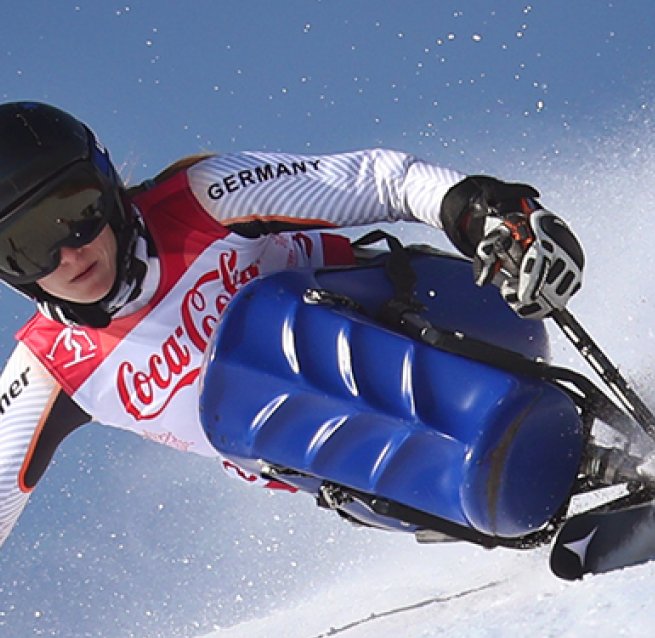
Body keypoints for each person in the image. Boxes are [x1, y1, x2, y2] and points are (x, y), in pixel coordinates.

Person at [0, 101, 584, 549]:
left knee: (254, 335)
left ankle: (529, 438)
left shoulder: (200, 200)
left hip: (458, 325)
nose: (68, 256)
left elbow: (375, 180)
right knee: (237, 388)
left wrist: (483, 212)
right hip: (407, 477)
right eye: (26, 248)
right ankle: (548, 472)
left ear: (105, 190)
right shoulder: (51, 366)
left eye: (73, 215)